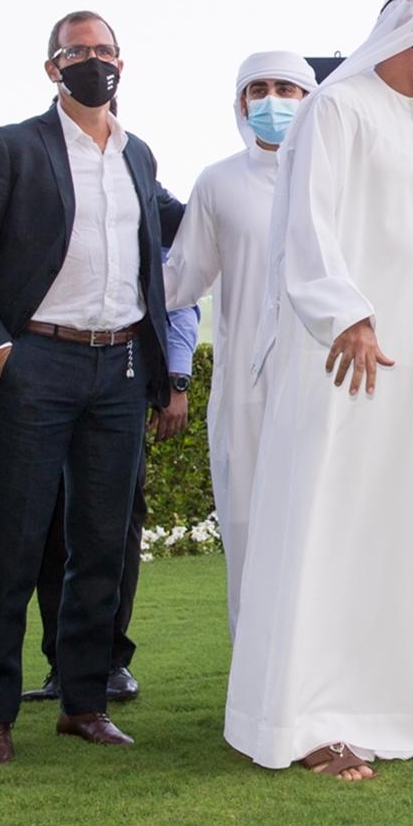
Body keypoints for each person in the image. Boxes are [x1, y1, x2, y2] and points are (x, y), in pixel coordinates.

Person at [223, 0, 413, 782]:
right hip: (338, 358)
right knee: (324, 532)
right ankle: (301, 723)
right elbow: (306, 227)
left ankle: (384, 712)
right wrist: (347, 315)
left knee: (390, 537)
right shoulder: (334, 109)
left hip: (410, 374)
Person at [0, 10, 185, 766]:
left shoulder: (138, 155)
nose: (94, 62)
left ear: (123, 64)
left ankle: (83, 703)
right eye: (78, 52)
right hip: (37, 364)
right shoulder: (12, 146)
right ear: (53, 67)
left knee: (102, 547)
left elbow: (188, 230)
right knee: (17, 544)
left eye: (105, 51)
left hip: (120, 372)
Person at [0, 292, 199, 706]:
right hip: (35, 373)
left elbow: (172, 287)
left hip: (119, 375)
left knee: (113, 528)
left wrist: (176, 376)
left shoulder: (147, 221)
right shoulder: (25, 223)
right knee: (43, 525)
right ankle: (61, 666)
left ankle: (107, 663)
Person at [163, 51, 319, 636]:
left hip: (328, 384)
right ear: (240, 103)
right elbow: (181, 279)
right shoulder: (219, 181)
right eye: (259, 89)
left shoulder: (337, 177)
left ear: (310, 100)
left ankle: (319, 691)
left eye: (286, 88)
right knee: (252, 533)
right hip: (246, 392)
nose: (272, 101)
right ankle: (254, 695)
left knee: (318, 537)